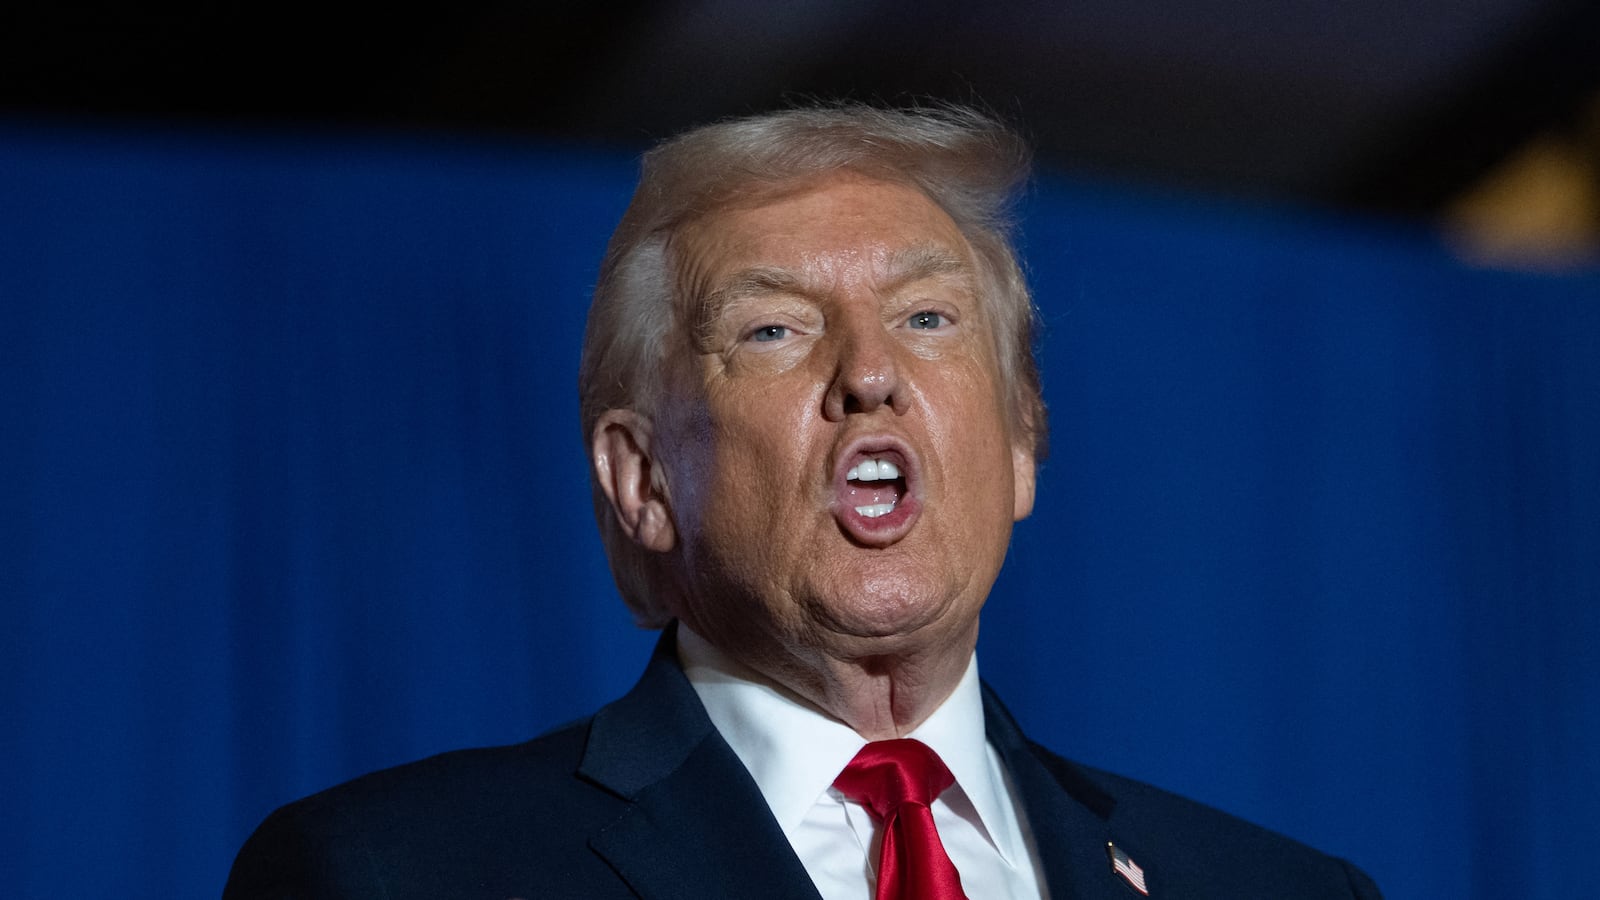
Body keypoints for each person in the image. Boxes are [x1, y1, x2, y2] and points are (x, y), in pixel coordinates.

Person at [224, 104, 1382, 899]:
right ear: (641, 481)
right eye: (773, 329)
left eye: (929, 318)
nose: (869, 372)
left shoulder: (1275, 888)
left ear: (1023, 440)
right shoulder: (396, 874)